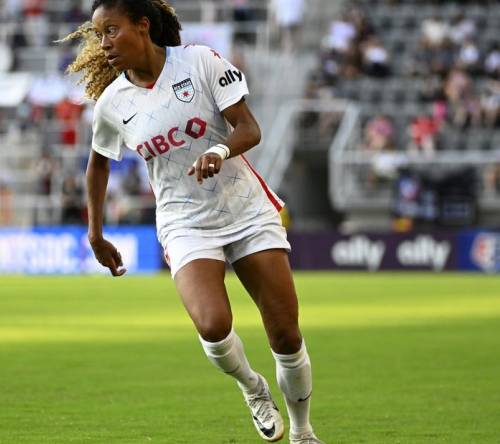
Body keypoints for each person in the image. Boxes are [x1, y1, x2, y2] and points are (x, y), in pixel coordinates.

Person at [60, 1, 324, 443]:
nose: (103, 44)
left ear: (143, 26)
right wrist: (95, 232)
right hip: (185, 223)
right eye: (98, 34)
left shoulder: (199, 61)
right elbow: (98, 165)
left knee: (284, 332)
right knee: (213, 326)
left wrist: (219, 151)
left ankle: (302, 432)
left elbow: (249, 128)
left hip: (245, 209)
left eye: (111, 31)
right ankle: (252, 387)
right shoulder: (112, 103)